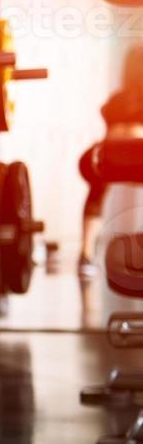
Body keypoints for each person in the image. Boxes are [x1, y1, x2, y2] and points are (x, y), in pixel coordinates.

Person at [79, 46, 143, 277]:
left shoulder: (116, 100)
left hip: (110, 161)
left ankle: (85, 255)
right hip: (136, 160)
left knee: (96, 193)